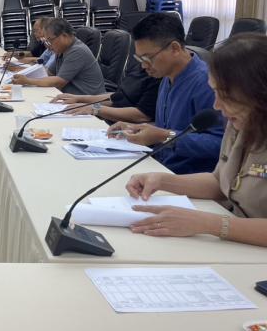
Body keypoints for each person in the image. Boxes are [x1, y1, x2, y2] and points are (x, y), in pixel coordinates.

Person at [123, 34, 267, 247]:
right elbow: (220, 182)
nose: (216, 105)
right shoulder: (241, 122)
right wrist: (162, 181)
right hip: (240, 244)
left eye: (225, 95)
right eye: (215, 92)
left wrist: (209, 223)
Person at [107, 13, 224, 174]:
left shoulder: (206, 83)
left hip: (186, 176)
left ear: (175, 48)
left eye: (147, 58)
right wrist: (138, 128)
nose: (143, 66)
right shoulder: (166, 76)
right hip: (159, 165)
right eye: (140, 59)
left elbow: (220, 144)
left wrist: (163, 136)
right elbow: (171, 129)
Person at [51, 49, 161, 123]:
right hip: (113, 122)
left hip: (129, 131)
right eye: (139, 58)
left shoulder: (157, 75)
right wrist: (80, 99)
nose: (143, 65)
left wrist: (95, 108)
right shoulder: (142, 67)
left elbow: (142, 115)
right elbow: (117, 97)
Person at [11, 17, 105, 95]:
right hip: (69, 98)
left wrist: (27, 81)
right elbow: (48, 73)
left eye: (50, 40)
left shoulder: (77, 51)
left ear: (64, 36)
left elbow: (58, 81)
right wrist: (20, 72)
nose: (48, 45)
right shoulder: (61, 50)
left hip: (87, 103)